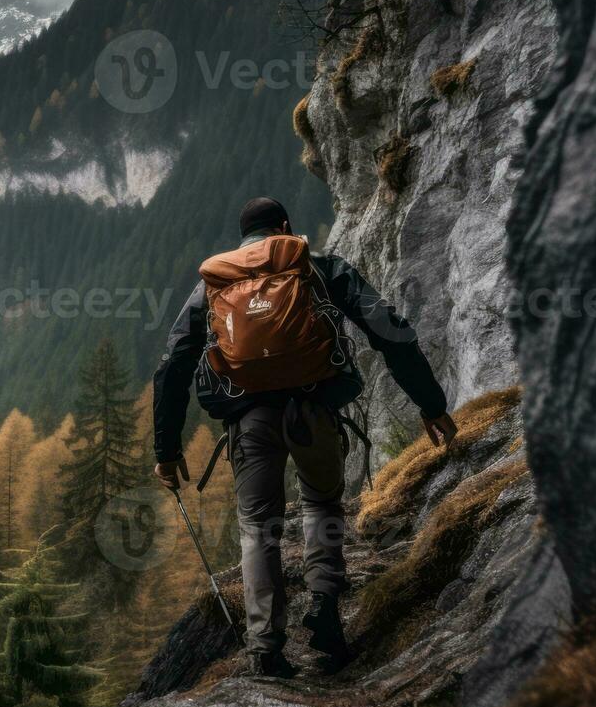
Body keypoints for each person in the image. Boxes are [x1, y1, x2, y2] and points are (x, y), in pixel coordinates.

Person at [151, 197, 458, 678]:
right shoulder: (318, 268)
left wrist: (166, 451)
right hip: (314, 408)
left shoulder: (216, 284)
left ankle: (265, 647)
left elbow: (172, 367)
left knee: (258, 526)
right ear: (286, 227)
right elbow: (390, 331)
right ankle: (324, 609)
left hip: (249, 420)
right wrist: (432, 404)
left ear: (244, 239)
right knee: (320, 505)